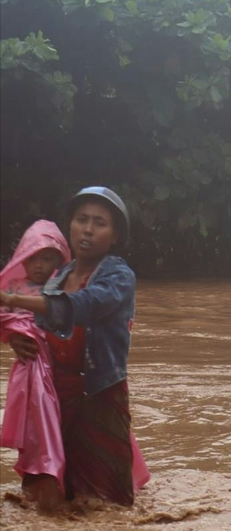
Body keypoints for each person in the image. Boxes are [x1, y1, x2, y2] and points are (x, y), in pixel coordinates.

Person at [0, 188, 150, 506]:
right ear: (70, 227)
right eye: (82, 220)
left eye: (99, 223)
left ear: (114, 236)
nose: (88, 229)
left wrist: (13, 299)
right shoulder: (59, 276)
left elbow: (83, 305)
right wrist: (17, 339)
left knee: (106, 501)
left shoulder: (119, 276)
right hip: (57, 397)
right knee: (51, 497)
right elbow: (37, 327)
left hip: (100, 395)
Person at [1, 220, 70, 510]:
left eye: (47, 258)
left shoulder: (63, 289)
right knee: (37, 415)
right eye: (34, 258)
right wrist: (11, 335)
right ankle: (41, 473)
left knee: (62, 422)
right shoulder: (13, 287)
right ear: (22, 259)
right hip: (29, 367)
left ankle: (53, 476)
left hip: (61, 368)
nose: (39, 265)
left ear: (59, 261)